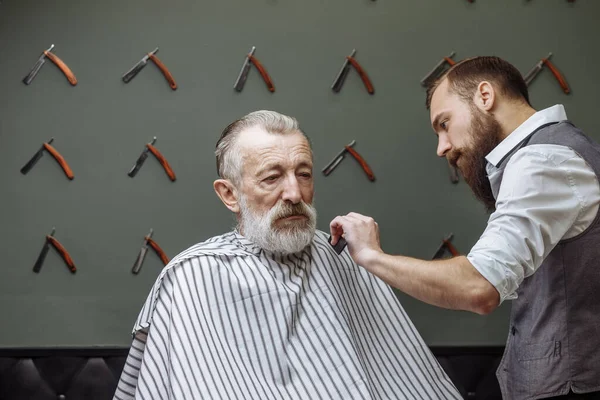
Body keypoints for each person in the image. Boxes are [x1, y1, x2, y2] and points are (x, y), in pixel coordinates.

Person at [113, 110, 462, 400]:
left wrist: (373, 257)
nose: (294, 192)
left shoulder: (343, 255)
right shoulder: (194, 276)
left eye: (304, 174)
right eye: (272, 178)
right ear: (229, 194)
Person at [329, 56, 600, 400]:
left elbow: (479, 287)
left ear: (485, 96)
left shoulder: (542, 161)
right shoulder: (562, 151)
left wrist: (370, 255)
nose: (442, 147)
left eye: (444, 124)